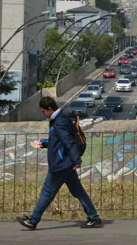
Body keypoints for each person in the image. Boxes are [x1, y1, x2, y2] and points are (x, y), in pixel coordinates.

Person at [16, 97, 102, 230]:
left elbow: (68, 142)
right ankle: (93, 217)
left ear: (50, 109)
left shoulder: (59, 121)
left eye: (44, 111)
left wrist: (76, 160)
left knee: (47, 192)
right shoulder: (60, 118)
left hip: (61, 163)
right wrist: (43, 143)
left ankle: (33, 221)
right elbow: (58, 140)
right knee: (78, 191)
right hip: (66, 163)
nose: (43, 114)